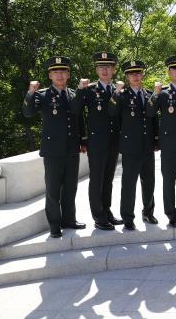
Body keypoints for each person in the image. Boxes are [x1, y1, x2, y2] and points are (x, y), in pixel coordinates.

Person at [23, 56, 86, 238]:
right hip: (52, 150)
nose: (59, 74)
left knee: (70, 187)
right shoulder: (42, 95)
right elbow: (28, 113)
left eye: (63, 71)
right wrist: (30, 92)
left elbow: (78, 119)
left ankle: (69, 220)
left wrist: (83, 141)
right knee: (52, 189)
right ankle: (55, 225)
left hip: (72, 148)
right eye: (55, 72)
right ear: (50, 75)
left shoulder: (74, 93)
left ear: (68, 74)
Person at [72, 51, 122, 231]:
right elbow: (76, 110)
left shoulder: (119, 90)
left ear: (114, 69)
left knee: (108, 179)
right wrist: (79, 89)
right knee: (97, 179)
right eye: (101, 67)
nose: (105, 70)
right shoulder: (90, 89)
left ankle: (107, 211)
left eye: (108, 67)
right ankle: (98, 216)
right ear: (96, 70)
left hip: (113, 142)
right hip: (97, 143)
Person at [146, 54, 176, 227]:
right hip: (169, 145)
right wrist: (155, 94)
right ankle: (171, 213)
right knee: (169, 180)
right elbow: (150, 112)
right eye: (175, 69)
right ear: (169, 72)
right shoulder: (163, 92)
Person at [109, 60, 158, 230]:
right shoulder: (122, 95)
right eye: (132, 74)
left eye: (138, 73)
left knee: (149, 182)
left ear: (142, 74)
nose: (136, 76)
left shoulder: (149, 94)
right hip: (130, 147)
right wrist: (115, 92)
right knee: (129, 184)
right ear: (127, 76)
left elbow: (154, 120)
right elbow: (111, 111)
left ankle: (148, 212)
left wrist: (156, 141)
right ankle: (128, 217)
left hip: (147, 146)